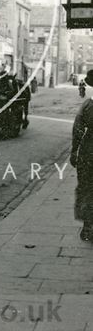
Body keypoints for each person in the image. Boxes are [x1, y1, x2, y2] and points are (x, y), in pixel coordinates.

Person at [70, 69, 93, 241]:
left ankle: (87, 227)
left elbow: (77, 130)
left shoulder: (87, 105)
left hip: (88, 151)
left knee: (86, 187)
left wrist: (74, 151)